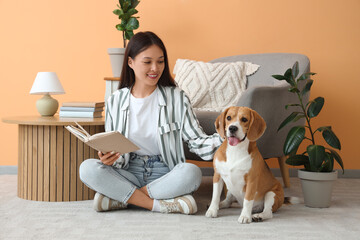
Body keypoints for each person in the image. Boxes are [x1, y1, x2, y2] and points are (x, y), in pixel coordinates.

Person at [79, 31, 222, 215]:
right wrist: (109, 157)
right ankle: (159, 204)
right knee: (87, 168)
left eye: (160, 61)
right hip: (129, 171)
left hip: (165, 172)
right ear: (130, 62)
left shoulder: (176, 97)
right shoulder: (116, 100)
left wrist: (227, 138)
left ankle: (121, 199)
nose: (155, 68)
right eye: (147, 62)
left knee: (192, 173)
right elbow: (115, 148)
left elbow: (196, 141)